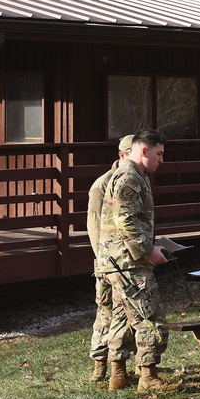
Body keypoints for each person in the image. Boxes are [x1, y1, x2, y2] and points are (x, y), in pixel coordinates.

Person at [97, 128, 179, 392]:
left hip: (119, 260)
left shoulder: (134, 175)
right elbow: (125, 220)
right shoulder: (129, 177)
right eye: (159, 154)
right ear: (144, 150)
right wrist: (147, 250)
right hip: (128, 262)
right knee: (150, 317)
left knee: (122, 317)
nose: (161, 160)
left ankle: (118, 375)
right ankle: (148, 378)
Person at [85, 134, 134, 382]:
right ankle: (99, 366)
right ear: (121, 155)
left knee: (123, 314)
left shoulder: (134, 179)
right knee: (106, 314)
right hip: (107, 262)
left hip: (126, 261)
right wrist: (102, 263)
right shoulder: (102, 184)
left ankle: (118, 366)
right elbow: (94, 226)